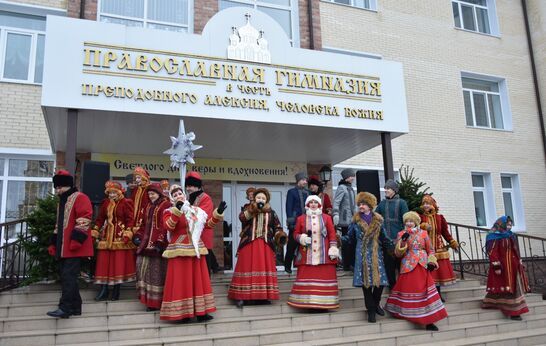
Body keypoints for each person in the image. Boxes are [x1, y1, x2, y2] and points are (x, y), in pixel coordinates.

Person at [160, 185, 215, 323]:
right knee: (182, 282)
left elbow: (207, 224)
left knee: (198, 281)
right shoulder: (169, 211)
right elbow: (169, 226)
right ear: (172, 198)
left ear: (184, 195)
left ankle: (202, 312)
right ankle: (183, 314)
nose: (179, 195)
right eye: (175, 194)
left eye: (180, 193)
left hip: (196, 249)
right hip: (179, 251)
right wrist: (177, 211)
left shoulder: (195, 210)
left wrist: (217, 214)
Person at [385, 211, 447, 331]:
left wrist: (432, 261)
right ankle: (407, 313)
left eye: (411, 221)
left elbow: (431, 250)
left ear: (416, 222)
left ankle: (429, 321)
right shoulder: (401, 233)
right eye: (407, 221)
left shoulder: (424, 233)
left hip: (423, 266)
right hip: (408, 265)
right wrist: (403, 241)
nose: (409, 223)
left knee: (425, 292)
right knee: (408, 290)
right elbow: (398, 254)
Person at [46, 170, 93, 319]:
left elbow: (84, 219)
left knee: (68, 277)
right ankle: (75, 307)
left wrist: (76, 241)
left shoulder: (80, 197)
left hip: (74, 247)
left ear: (67, 185)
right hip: (64, 247)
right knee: (68, 277)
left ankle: (65, 308)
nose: (58, 190)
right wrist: (54, 243)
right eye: (57, 188)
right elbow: (58, 225)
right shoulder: (63, 202)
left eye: (60, 187)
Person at [228, 188, 286, 308]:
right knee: (245, 268)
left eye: (263, 198)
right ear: (254, 198)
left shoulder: (271, 212)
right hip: (249, 242)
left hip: (265, 244)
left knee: (263, 270)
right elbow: (242, 218)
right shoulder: (248, 208)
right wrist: (253, 209)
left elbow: (277, 227)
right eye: (259, 198)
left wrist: (280, 236)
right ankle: (242, 296)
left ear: (267, 200)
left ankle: (262, 297)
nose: (261, 200)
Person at [345, 192, 391, 323]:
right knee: (366, 285)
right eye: (359, 204)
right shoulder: (355, 222)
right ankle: (371, 311)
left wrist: (394, 247)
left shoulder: (378, 220)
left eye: (363, 204)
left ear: (370, 206)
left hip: (376, 254)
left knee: (380, 283)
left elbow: (384, 238)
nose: (361, 206)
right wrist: (338, 241)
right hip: (362, 254)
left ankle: (376, 303)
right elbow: (350, 238)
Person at [287, 195, 340, 310]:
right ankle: (307, 303)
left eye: (315, 202)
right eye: (311, 202)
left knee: (324, 276)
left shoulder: (327, 218)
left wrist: (333, 248)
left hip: (324, 254)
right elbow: (295, 234)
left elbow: (332, 234)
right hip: (307, 255)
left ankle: (324, 303)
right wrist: (301, 238)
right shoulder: (301, 218)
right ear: (307, 205)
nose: (313, 204)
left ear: (319, 204)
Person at [91, 181, 136, 301]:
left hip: (120, 237)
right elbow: (100, 219)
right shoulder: (105, 203)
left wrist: (128, 232)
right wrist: (95, 232)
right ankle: (104, 289)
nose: (111, 195)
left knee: (117, 264)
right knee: (104, 264)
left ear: (119, 192)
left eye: (113, 193)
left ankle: (116, 290)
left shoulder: (126, 203)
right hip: (106, 236)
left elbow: (130, 220)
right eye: (109, 193)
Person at [482, 216, 530, 320]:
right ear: (501, 224)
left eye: (510, 224)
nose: (510, 226)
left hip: (514, 266)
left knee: (514, 287)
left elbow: (515, 249)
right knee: (508, 287)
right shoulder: (493, 236)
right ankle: (514, 312)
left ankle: (512, 308)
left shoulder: (510, 235)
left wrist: (519, 260)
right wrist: (496, 265)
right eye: (507, 224)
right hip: (503, 267)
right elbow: (492, 252)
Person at [133, 183, 171, 311]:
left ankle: (156, 303)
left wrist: (160, 242)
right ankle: (148, 300)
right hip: (145, 245)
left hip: (158, 246)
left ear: (159, 193)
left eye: (153, 193)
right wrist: (137, 235)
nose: (151, 196)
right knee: (142, 269)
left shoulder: (165, 204)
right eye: (149, 194)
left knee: (156, 274)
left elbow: (164, 225)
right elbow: (143, 224)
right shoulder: (148, 206)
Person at [419, 194, 459, 302]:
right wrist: (422, 226)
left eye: (428, 203)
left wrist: (453, 242)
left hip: (439, 248)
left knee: (437, 274)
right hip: (425, 249)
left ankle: (438, 295)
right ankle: (428, 295)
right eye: (424, 204)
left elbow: (445, 233)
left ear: (433, 205)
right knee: (428, 274)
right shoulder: (421, 217)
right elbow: (415, 229)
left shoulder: (439, 218)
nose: (426, 205)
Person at [376, 179, 409, 287]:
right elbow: (375, 218)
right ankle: (392, 286)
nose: (385, 190)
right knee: (388, 264)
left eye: (388, 188)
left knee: (400, 264)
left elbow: (407, 220)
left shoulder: (402, 203)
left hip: (399, 238)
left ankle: (403, 286)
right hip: (386, 240)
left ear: (394, 190)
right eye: (385, 188)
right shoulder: (382, 203)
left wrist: (406, 235)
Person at [185, 171, 218, 274]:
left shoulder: (205, 198)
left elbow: (201, 216)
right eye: (187, 186)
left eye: (191, 186)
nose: (188, 189)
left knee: (203, 268)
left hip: (202, 236)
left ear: (197, 186)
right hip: (191, 237)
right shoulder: (188, 198)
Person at [284, 172, 309, 274]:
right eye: (303, 180)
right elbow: (288, 207)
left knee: (305, 246)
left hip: (306, 222)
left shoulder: (308, 193)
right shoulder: (291, 192)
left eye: (306, 180)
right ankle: (287, 266)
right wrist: (291, 222)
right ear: (298, 180)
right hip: (295, 223)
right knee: (291, 245)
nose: (305, 182)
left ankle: (303, 266)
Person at [332, 168, 356, 271]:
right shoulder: (341, 188)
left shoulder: (351, 188)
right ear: (347, 177)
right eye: (352, 176)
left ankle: (351, 263)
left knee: (352, 241)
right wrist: (335, 214)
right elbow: (336, 202)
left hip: (352, 220)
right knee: (346, 242)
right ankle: (346, 264)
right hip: (345, 220)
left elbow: (353, 205)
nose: (353, 178)